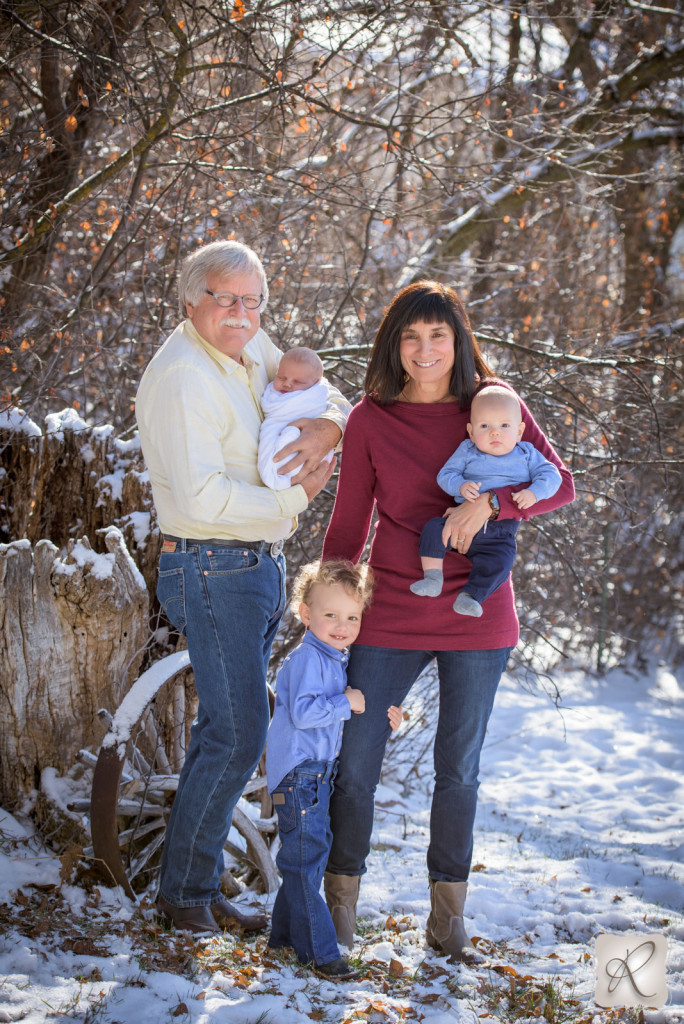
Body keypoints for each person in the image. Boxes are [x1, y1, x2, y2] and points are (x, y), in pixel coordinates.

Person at [321, 281, 575, 963]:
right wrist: (328, 613)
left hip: (479, 614)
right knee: (356, 762)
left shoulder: (494, 406)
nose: (425, 349)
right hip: (392, 609)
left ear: (458, 341)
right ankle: (340, 904)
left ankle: (448, 917)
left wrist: (491, 508)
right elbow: (349, 522)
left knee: (457, 769)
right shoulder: (371, 419)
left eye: (438, 335)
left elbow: (562, 484)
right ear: (394, 346)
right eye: (411, 336)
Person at [135, 240, 351, 935]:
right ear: (191, 298)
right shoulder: (181, 378)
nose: (241, 313)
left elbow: (320, 386)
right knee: (238, 734)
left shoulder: (252, 346)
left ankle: (194, 884)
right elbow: (200, 499)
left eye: (253, 300)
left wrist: (330, 424)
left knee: (221, 731)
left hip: (254, 565)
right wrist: (294, 504)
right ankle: (183, 895)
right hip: (210, 564)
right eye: (227, 298)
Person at [266, 560, 400, 979]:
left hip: (313, 775)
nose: (342, 625)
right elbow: (305, 714)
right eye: (330, 615)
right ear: (305, 615)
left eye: (352, 617)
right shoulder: (308, 658)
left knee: (305, 858)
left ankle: (284, 938)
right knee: (306, 863)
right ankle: (320, 954)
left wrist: (384, 715)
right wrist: (347, 703)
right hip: (300, 775)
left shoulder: (334, 657)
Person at [410, 385, 562, 617]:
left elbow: (552, 476)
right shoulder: (468, 450)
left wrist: (534, 493)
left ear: (520, 431)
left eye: (504, 425)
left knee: (502, 560)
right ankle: (432, 578)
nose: (495, 432)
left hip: (500, 533)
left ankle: (471, 596)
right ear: (471, 431)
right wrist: (460, 485)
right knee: (433, 529)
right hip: (458, 521)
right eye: (485, 426)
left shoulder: (527, 453)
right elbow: (446, 475)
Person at [258, 347, 334, 490]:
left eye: (298, 382)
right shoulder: (281, 365)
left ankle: (282, 472)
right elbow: (272, 409)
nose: (287, 384)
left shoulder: (317, 396)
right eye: (281, 377)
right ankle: (277, 470)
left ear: (315, 384)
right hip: (279, 426)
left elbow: (340, 411)